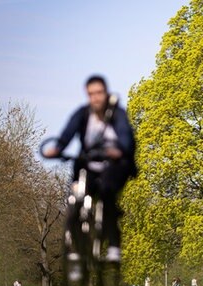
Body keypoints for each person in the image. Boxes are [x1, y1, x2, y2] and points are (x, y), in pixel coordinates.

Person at [43, 75, 137, 263]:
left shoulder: (117, 114)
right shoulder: (83, 114)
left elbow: (126, 137)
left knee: (107, 196)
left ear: (106, 92)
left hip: (115, 166)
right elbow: (67, 134)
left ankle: (113, 248)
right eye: (91, 94)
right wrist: (57, 149)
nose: (96, 97)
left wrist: (118, 151)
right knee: (77, 197)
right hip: (89, 165)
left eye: (99, 93)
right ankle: (75, 249)